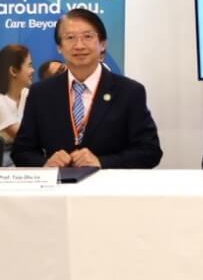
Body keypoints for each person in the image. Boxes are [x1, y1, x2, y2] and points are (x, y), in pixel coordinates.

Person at [12, 9, 162, 169]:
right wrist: (45, 163)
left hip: (110, 189)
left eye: (88, 36)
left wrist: (102, 162)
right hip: (57, 189)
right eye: (70, 38)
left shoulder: (129, 92)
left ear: (102, 44)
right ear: (59, 47)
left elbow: (150, 151)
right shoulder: (40, 93)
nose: (79, 45)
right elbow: (21, 151)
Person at [0, 44, 34, 166]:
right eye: (29, 65)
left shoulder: (28, 94)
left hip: (24, 153)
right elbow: (22, 137)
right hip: (5, 157)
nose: (33, 70)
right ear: (13, 71)